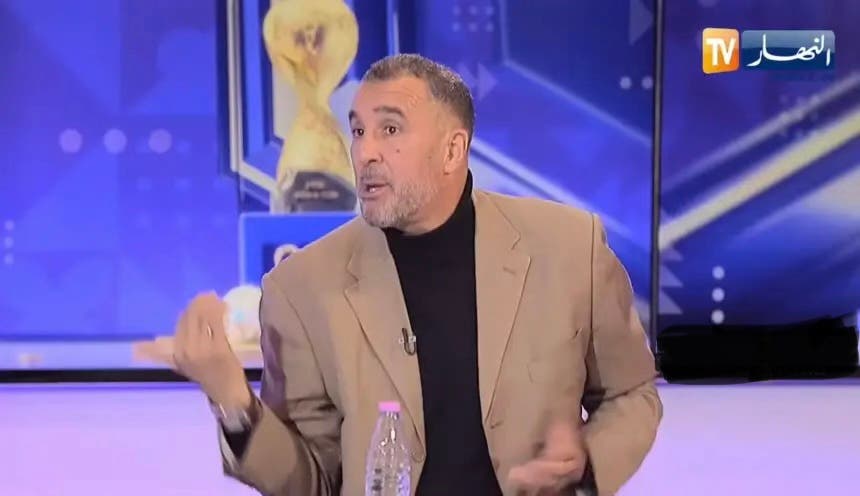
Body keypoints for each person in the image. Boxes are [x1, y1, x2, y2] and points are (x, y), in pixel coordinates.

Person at [171, 53, 662, 496]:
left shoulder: (569, 247)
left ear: (452, 150)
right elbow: (312, 481)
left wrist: (586, 467)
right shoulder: (301, 288)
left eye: (390, 130)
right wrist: (234, 403)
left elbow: (631, 393)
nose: (365, 153)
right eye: (358, 131)